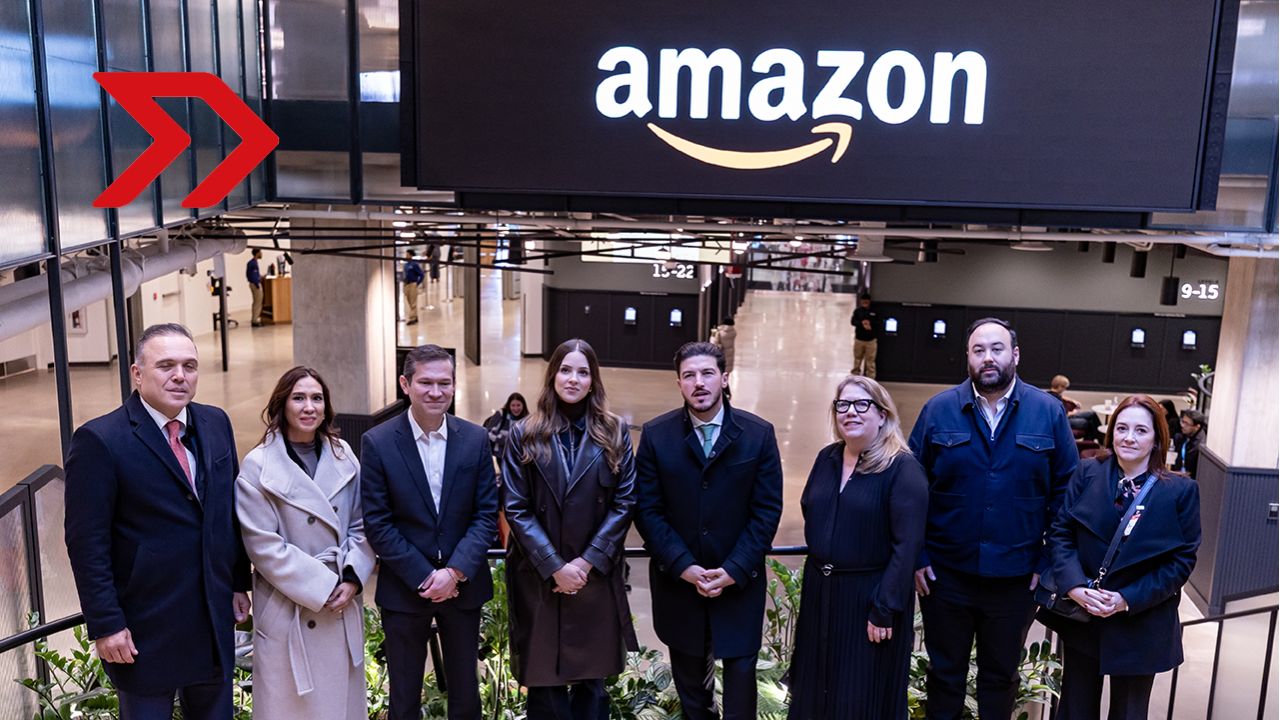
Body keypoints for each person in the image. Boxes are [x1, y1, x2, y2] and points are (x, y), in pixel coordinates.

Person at [64, 323, 251, 720]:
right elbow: (87, 543)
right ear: (137, 373)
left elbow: (226, 512)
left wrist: (238, 581)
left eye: (189, 366)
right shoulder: (101, 440)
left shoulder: (216, 422)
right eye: (166, 365)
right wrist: (106, 624)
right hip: (145, 629)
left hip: (211, 620)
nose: (180, 376)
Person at [908, 317, 1077, 720]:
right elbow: (910, 490)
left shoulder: (1047, 412)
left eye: (997, 349)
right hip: (945, 577)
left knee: (1000, 679)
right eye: (978, 350)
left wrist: (1047, 562)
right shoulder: (938, 410)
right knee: (944, 676)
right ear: (967, 357)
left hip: (1016, 578)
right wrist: (918, 556)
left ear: (1015, 355)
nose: (988, 358)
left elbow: (1068, 495)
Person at [634, 341, 784, 720]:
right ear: (679, 383)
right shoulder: (656, 435)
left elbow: (766, 511)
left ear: (724, 378)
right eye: (689, 376)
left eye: (707, 373)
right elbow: (648, 511)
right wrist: (683, 566)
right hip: (680, 585)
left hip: (739, 584)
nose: (698, 383)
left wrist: (734, 569)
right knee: (692, 697)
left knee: (740, 692)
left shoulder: (757, 434)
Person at [360, 345, 499, 720]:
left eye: (444, 383)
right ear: (405, 384)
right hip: (405, 588)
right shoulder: (378, 442)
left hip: (463, 588)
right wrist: (425, 576)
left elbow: (486, 514)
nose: (436, 392)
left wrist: (454, 572)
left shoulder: (475, 439)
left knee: (465, 694)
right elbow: (378, 522)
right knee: (404, 696)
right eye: (426, 382)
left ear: (454, 385)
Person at [501, 339, 638, 719]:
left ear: (593, 381)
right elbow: (516, 507)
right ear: (553, 376)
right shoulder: (524, 433)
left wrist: (585, 563)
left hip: (593, 577)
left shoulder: (615, 431)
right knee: (545, 690)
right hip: (540, 577)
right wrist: (555, 566)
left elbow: (625, 502)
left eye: (582, 372)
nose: (573, 379)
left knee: (592, 689)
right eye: (565, 370)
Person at [1041, 395, 1201, 720]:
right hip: (1085, 614)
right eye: (1122, 428)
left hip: (1141, 619)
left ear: (1157, 438)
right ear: (1111, 431)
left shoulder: (1180, 492)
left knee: (1129, 712)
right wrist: (1074, 586)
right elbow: (1060, 533)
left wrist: (1126, 599)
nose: (1129, 437)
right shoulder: (1087, 472)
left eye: (1141, 430)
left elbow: (1180, 563)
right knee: (1075, 708)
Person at [235, 367, 376, 719]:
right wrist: (323, 586)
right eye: (299, 398)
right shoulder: (258, 467)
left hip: (340, 603)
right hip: (290, 610)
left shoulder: (343, 455)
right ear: (282, 405)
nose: (309, 406)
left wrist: (352, 578)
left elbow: (362, 524)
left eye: (317, 398)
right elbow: (264, 547)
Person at [787, 376, 928, 720]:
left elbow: (907, 547)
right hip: (822, 593)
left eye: (862, 404)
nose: (851, 412)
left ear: (882, 415)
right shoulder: (827, 458)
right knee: (813, 690)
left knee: (858, 695)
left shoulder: (902, 468)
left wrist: (884, 607)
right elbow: (810, 508)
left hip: (870, 599)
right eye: (843, 405)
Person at [1049, 374, 1103, 442]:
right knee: (1088, 423)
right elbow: (1063, 415)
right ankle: (1095, 440)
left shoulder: (1050, 394)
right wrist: (1074, 412)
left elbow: (1061, 396)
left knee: (1092, 414)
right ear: (1060, 387)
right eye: (1064, 388)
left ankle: (1100, 438)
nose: (1064, 390)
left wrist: (1072, 400)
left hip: (1068, 416)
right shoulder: (1056, 399)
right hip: (1064, 420)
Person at [483, 392, 529, 461]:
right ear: (509, 405)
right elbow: (489, 432)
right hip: (501, 455)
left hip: (519, 455)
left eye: (518, 405)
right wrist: (505, 440)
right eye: (513, 405)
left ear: (523, 405)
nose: (516, 408)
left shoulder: (527, 419)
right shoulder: (501, 414)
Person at [850, 292, 879, 378]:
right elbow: (853, 322)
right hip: (859, 339)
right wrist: (861, 323)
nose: (864, 303)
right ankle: (855, 375)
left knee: (870, 361)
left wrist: (870, 324)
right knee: (857, 359)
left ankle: (870, 377)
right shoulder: (857, 311)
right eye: (863, 301)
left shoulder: (875, 311)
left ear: (869, 301)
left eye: (866, 301)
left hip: (871, 340)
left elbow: (879, 322)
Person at [1171, 409, 1207, 477]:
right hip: (1178, 471)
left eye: (1186, 423)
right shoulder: (1184, 435)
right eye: (1182, 421)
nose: (1182, 425)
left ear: (1197, 427)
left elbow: (1190, 472)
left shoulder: (1199, 445)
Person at [403, 251, 424, 325]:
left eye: (407, 254)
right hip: (407, 284)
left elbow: (421, 274)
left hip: (412, 284)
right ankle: (415, 315)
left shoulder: (414, 264)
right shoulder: (405, 265)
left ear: (411, 255)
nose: (406, 255)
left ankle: (412, 318)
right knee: (409, 301)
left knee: (413, 302)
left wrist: (417, 283)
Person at [248, 249, 264, 327]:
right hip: (255, 285)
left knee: (256, 302)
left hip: (253, 284)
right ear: (257, 253)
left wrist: (260, 276)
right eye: (260, 252)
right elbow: (253, 276)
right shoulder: (253, 263)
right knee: (258, 303)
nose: (261, 254)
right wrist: (257, 284)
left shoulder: (252, 262)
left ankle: (254, 319)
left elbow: (251, 274)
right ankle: (255, 320)